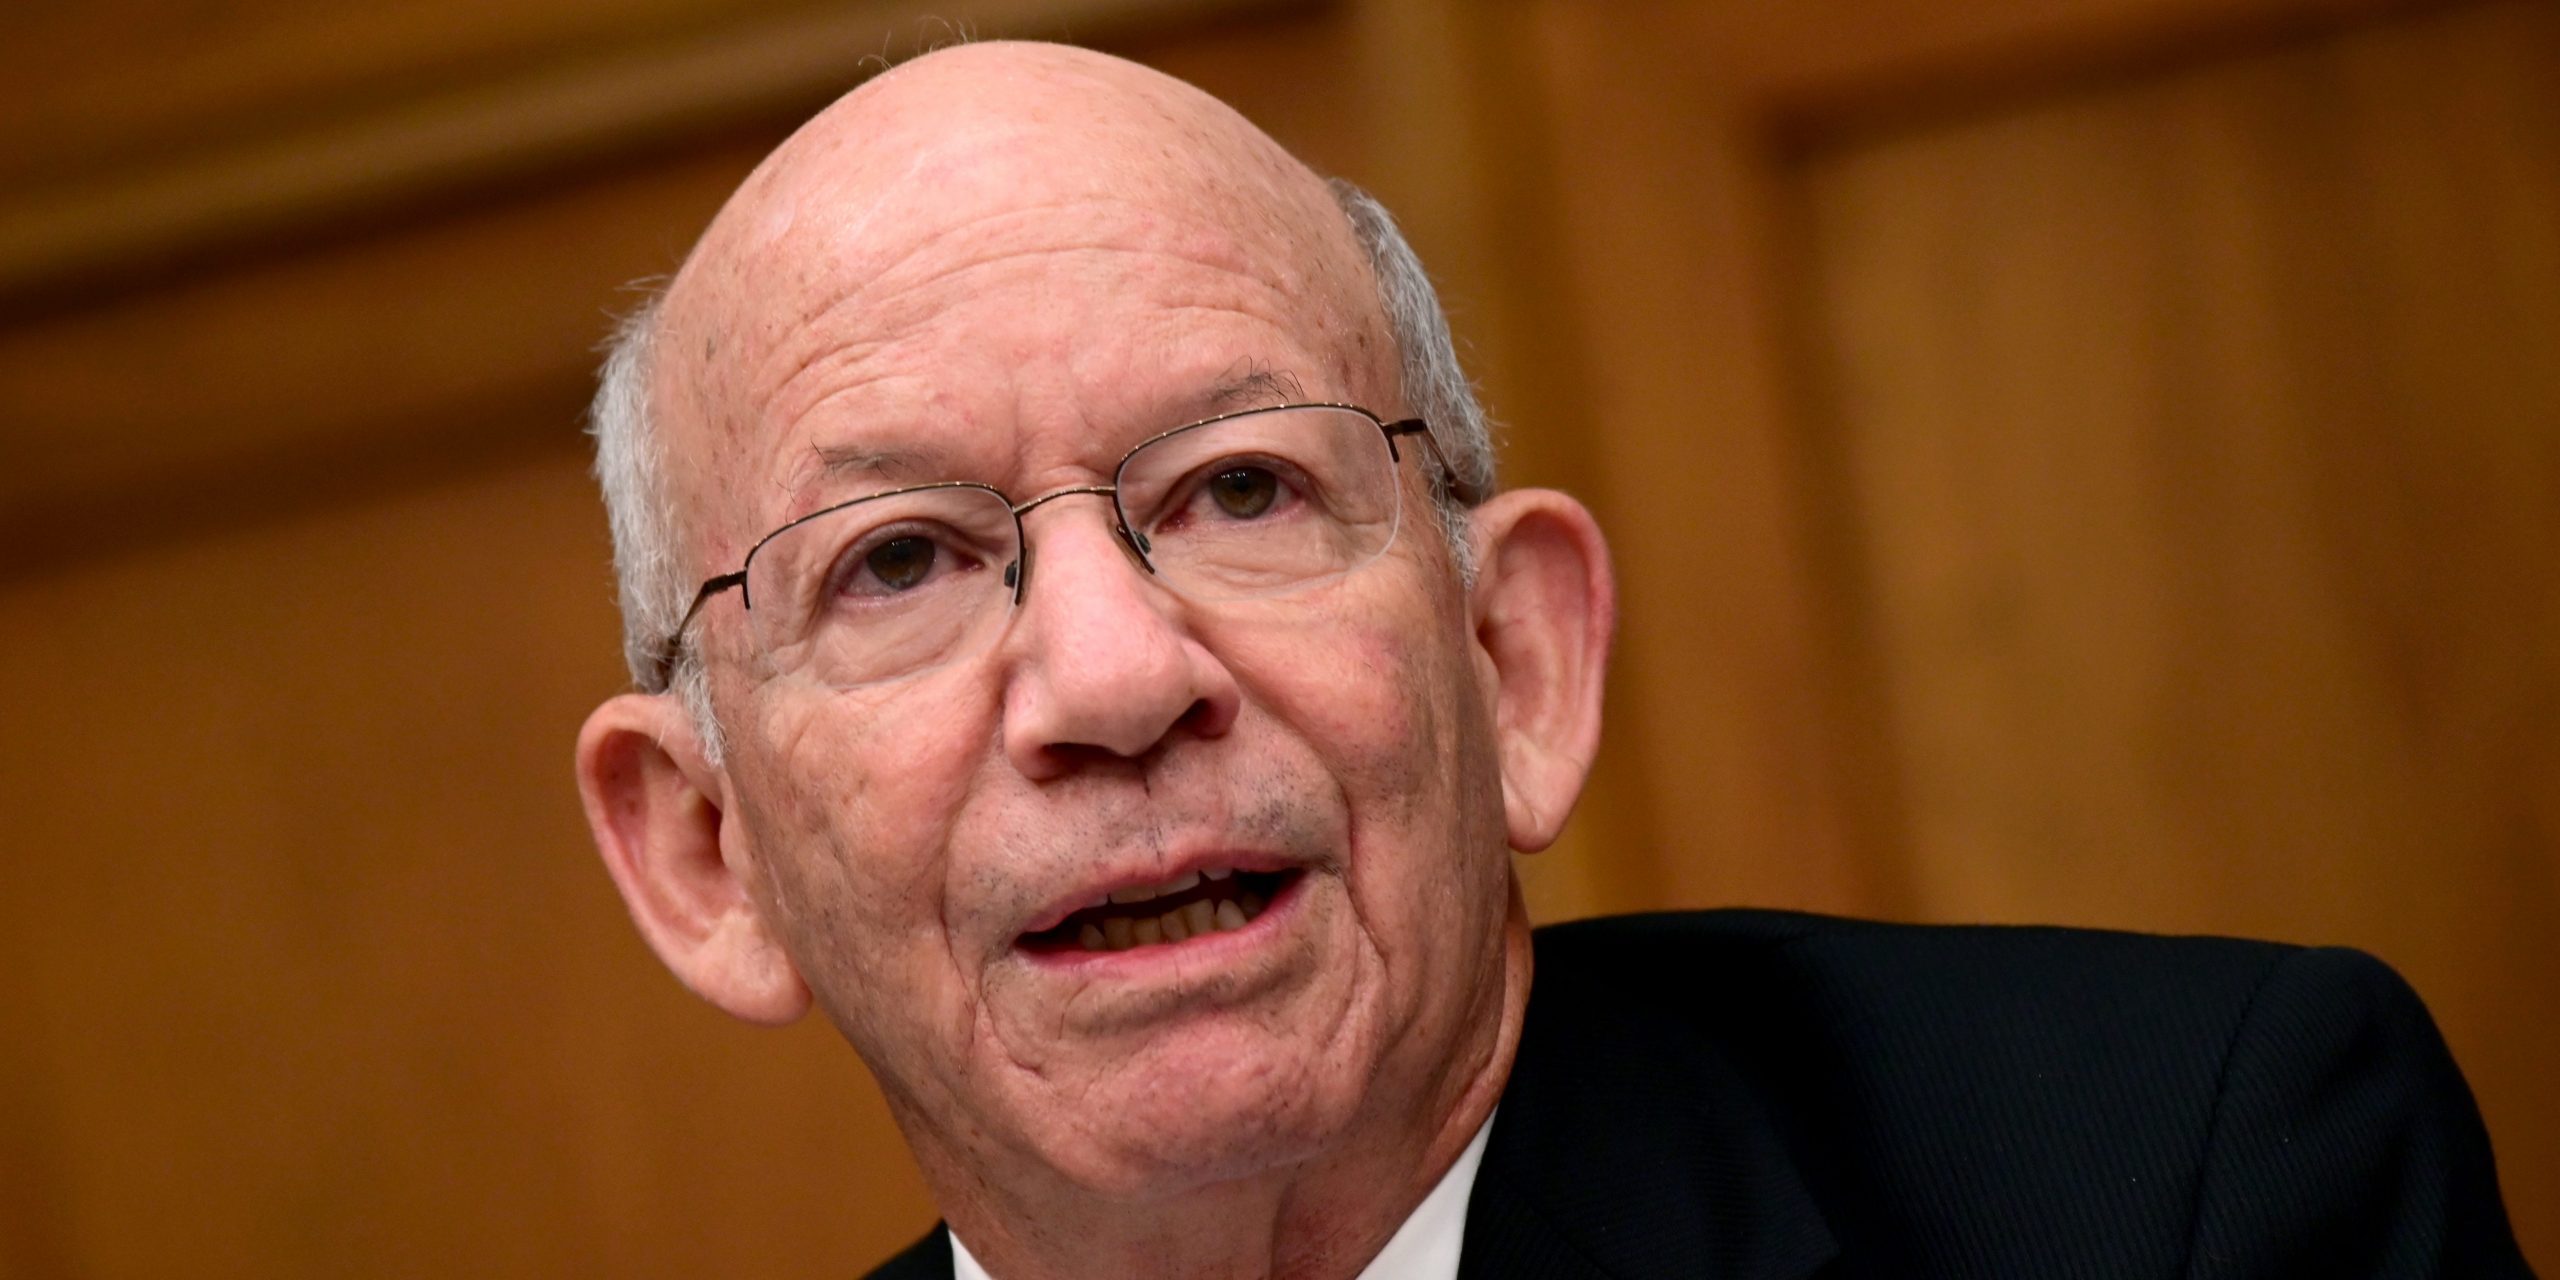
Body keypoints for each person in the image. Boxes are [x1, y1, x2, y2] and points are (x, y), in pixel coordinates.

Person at [571, 40, 2531, 1280]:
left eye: (1240, 489)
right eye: (895, 559)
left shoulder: (2190, 1190)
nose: (1109, 670)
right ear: (705, 854)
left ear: (1513, 662)